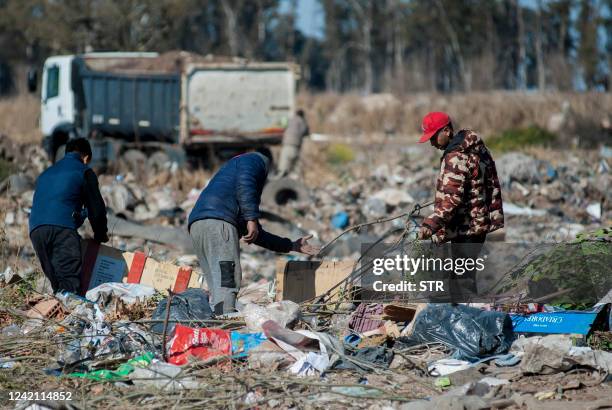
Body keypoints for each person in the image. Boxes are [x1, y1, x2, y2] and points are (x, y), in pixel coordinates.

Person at [188, 148, 318, 314]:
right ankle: (224, 325)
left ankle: (216, 321)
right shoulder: (254, 160)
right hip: (218, 224)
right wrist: (252, 218)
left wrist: (291, 245)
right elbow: (246, 181)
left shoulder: (231, 182)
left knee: (216, 284)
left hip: (197, 224)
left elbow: (258, 235)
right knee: (227, 280)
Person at [416, 112, 504, 294]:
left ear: (447, 131)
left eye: (433, 137)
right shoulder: (475, 148)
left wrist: (430, 224)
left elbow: (452, 199)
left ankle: (466, 317)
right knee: (463, 276)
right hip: (478, 223)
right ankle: (465, 314)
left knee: (461, 281)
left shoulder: (455, 156)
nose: (432, 143)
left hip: (467, 227)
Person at [29, 138, 108, 294]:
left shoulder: (46, 173)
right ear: (86, 157)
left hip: (36, 231)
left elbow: (55, 203)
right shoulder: (84, 171)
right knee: (69, 283)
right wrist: (100, 234)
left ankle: (56, 316)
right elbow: (96, 208)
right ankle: (73, 316)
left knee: (58, 284)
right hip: (61, 229)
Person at [277, 109, 309, 176]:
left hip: (286, 145)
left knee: (283, 166)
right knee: (295, 168)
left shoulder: (290, 119)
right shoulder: (302, 121)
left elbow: (282, 125)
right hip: (295, 146)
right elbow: (306, 132)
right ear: (303, 115)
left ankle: (280, 177)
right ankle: (293, 178)